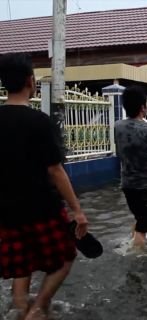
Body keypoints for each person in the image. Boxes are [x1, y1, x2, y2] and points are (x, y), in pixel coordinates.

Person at [0, 53, 88, 320]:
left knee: (21, 266)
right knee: (65, 258)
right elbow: (55, 169)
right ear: (31, 81)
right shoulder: (39, 121)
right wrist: (77, 211)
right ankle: (37, 309)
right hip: (42, 207)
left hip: (5, 211)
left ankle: (21, 310)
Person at [115, 85, 147, 248]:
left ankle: (132, 244)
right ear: (143, 107)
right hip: (145, 186)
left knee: (139, 219)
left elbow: (121, 151)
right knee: (143, 227)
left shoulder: (118, 127)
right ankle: (137, 258)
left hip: (127, 184)